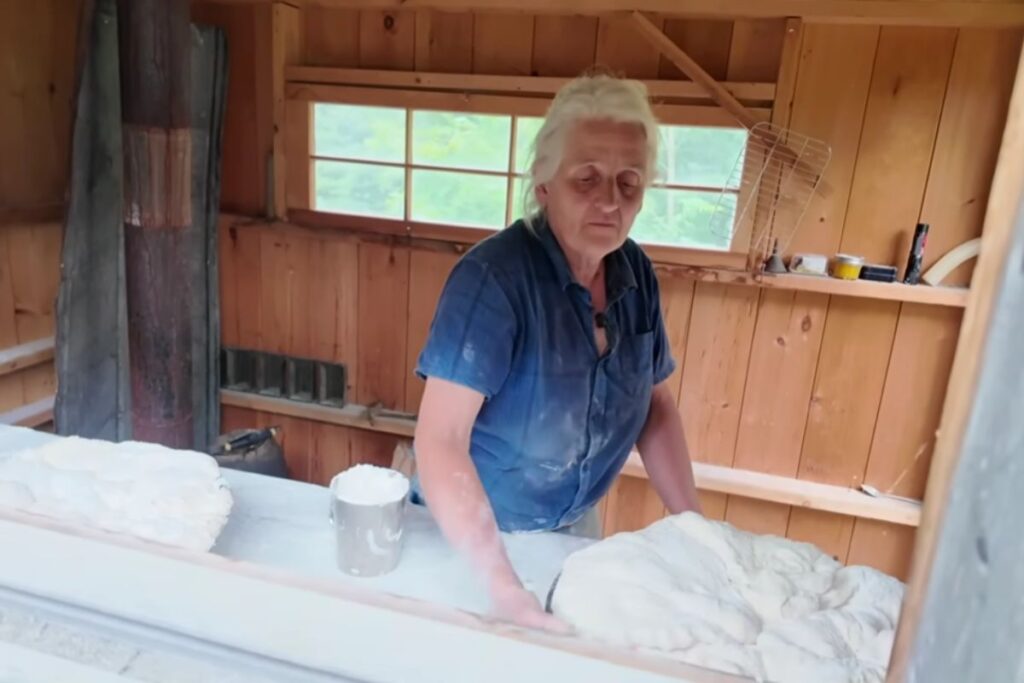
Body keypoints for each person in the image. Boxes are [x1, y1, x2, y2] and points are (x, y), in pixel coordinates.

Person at [412, 72, 702, 632]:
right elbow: (440, 440)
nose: (609, 202)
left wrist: (696, 528)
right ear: (544, 185)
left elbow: (655, 406)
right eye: (586, 179)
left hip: (571, 528)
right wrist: (503, 587)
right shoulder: (493, 280)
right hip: (471, 537)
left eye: (629, 183)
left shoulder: (635, 273)